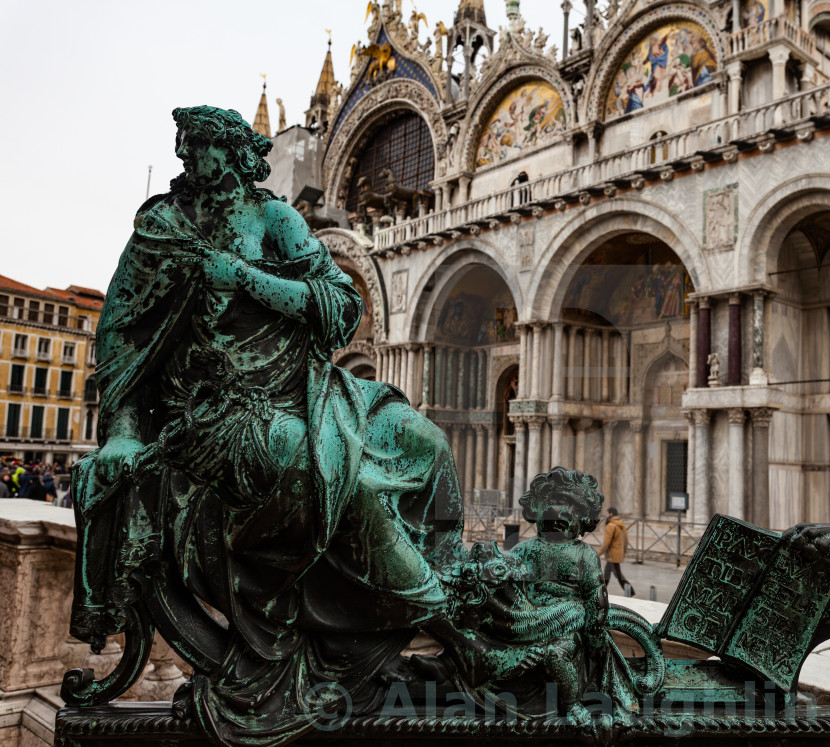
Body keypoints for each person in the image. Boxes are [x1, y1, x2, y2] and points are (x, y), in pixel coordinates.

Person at [71, 105, 530, 747]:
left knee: (426, 439)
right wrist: (122, 432)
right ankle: (448, 626)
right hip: (214, 414)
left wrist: (248, 279)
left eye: (201, 146)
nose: (188, 159)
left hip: (306, 387)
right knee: (338, 481)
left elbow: (340, 310)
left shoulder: (273, 219)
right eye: (184, 147)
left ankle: (451, 586)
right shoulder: (161, 228)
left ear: (233, 156)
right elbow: (121, 341)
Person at [599, 506, 633, 596]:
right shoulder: (621, 524)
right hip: (617, 554)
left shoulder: (611, 525)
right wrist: (624, 553)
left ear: (610, 514)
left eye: (607, 514)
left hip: (612, 555)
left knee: (618, 575)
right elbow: (626, 541)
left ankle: (631, 592)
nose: (606, 516)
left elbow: (606, 543)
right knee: (607, 574)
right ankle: (601, 591)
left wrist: (597, 553)